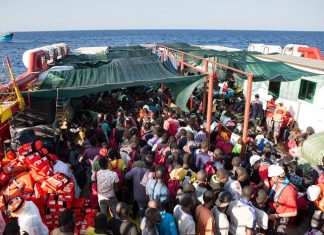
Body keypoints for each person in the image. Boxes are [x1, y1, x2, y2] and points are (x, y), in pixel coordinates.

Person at [267, 164, 297, 234]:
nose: (270, 179)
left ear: (275, 177)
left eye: (271, 177)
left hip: (282, 215)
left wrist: (276, 216)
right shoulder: (275, 182)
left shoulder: (289, 191)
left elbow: (294, 212)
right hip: (273, 209)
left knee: (278, 231)